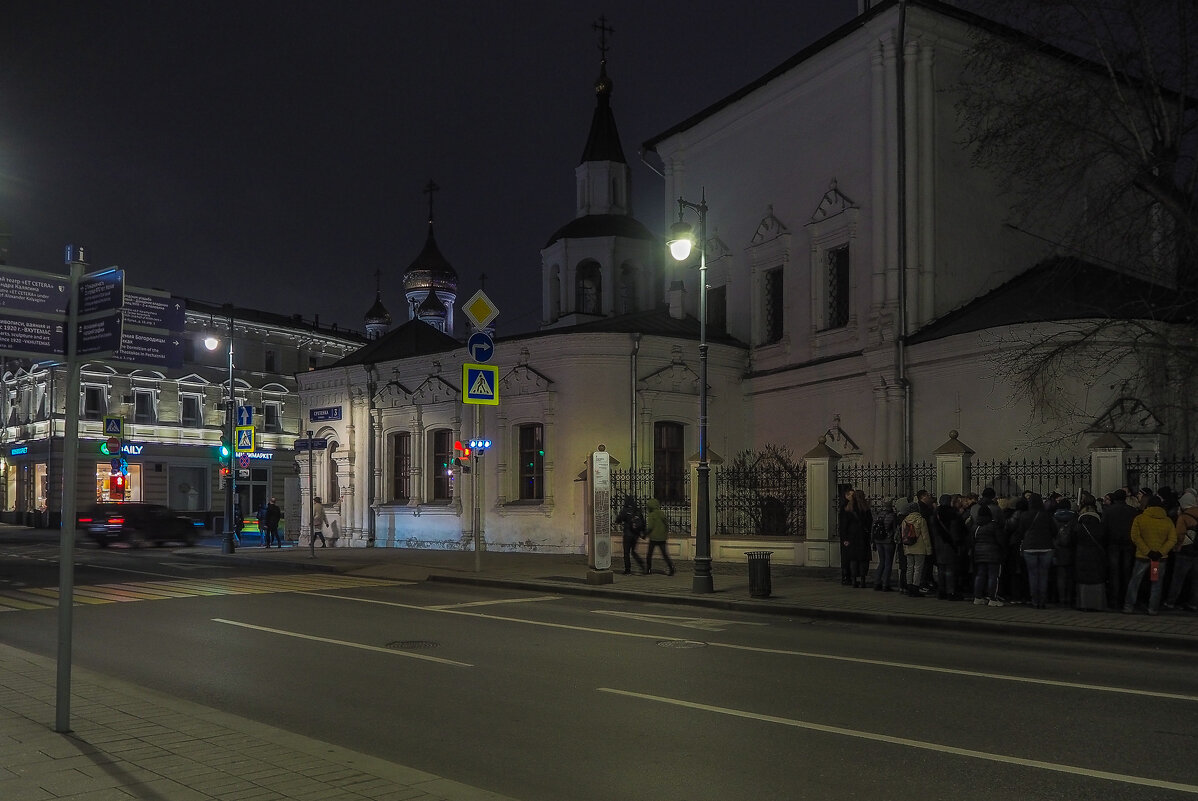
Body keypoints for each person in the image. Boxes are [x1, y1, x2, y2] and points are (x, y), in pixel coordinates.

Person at [1123, 496, 1176, 615]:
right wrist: (1160, 552)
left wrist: (1147, 551)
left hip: (1142, 557)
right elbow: (1172, 539)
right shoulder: (1167, 521)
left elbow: (1135, 537)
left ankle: (1128, 606)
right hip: (1158, 560)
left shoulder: (1140, 518)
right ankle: (1153, 609)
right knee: (1156, 583)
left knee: (1135, 581)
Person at [1071, 493, 1107, 611]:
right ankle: (1097, 604)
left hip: (1081, 554)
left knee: (1083, 579)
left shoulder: (1078, 526)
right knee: (1096, 578)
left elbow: (1073, 540)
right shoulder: (1100, 525)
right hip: (1096, 554)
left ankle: (1083, 604)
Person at [1020, 493, 1055, 609]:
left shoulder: (1025, 515)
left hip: (1029, 547)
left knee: (1033, 575)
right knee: (1044, 575)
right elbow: (1054, 531)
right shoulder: (1047, 515)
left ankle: (1035, 600)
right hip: (1046, 547)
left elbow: (1020, 531)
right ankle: (1042, 601)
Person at [1103, 489, 1137, 609]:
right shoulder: (1133, 511)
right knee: (1127, 572)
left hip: (1113, 544)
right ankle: (1126, 599)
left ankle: (1114, 600)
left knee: (1114, 573)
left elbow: (1104, 529)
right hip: (1128, 545)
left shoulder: (1109, 511)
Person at [1165, 488, 1198, 611]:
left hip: (1185, 551)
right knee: (1196, 580)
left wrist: (1176, 547)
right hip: (1197, 550)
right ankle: (1194, 603)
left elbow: (1180, 535)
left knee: (1178, 579)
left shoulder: (1184, 517)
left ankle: (1171, 602)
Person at [930, 494, 964, 600]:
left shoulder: (935, 513)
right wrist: (956, 542)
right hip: (948, 544)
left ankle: (941, 591)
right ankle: (951, 592)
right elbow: (955, 531)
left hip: (938, 544)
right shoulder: (952, 513)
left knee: (941, 569)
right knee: (950, 569)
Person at [971, 504, 1005, 606]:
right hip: (993, 553)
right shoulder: (993, 525)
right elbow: (1001, 540)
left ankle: (978, 597)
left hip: (978, 553)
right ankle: (992, 599)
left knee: (980, 575)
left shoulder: (975, 526)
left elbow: (972, 540)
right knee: (993, 576)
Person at [839, 489, 872, 588]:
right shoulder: (865, 508)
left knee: (853, 559)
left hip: (851, 537)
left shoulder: (849, 508)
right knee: (863, 560)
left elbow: (844, 525)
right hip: (863, 537)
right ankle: (862, 580)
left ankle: (853, 580)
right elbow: (869, 522)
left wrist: (845, 538)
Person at [898, 501, 931, 597]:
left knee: (909, 567)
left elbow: (903, 536)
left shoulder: (905, 521)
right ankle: (915, 587)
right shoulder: (921, 520)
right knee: (918, 568)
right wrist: (929, 549)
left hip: (908, 547)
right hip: (920, 548)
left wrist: (905, 548)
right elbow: (925, 536)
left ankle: (909, 587)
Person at [614, 495, 647, 575]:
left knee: (626, 553)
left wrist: (621, 521)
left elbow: (618, 520)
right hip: (636, 535)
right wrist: (643, 533)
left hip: (628, 535)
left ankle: (627, 570)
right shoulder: (638, 510)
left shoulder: (625, 510)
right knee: (633, 552)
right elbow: (643, 523)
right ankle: (642, 565)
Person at [871, 498, 898, 592]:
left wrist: (873, 541)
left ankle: (877, 582)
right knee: (888, 563)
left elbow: (873, 529)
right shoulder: (892, 515)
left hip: (878, 541)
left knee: (881, 562)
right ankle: (886, 584)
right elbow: (895, 530)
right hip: (888, 541)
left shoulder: (878, 515)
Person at [643, 498, 673, 576]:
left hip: (653, 538)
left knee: (649, 554)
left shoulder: (651, 515)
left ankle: (648, 569)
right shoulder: (661, 513)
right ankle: (671, 568)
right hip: (662, 537)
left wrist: (645, 534)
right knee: (665, 554)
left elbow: (650, 527)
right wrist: (665, 533)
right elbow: (666, 524)